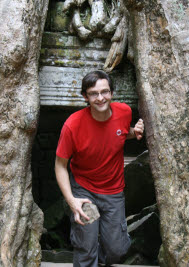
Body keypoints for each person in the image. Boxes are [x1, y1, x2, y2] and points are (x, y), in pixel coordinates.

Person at [55, 70, 144, 267]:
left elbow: (118, 132)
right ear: (85, 96)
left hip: (113, 192)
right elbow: (60, 165)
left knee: (117, 250)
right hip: (84, 191)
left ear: (112, 93)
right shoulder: (73, 125)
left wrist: (133, 132)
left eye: (105, 92)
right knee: (86, 247)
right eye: (94, 93)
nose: (100, 98)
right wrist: (72, 201)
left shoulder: (124, 112)